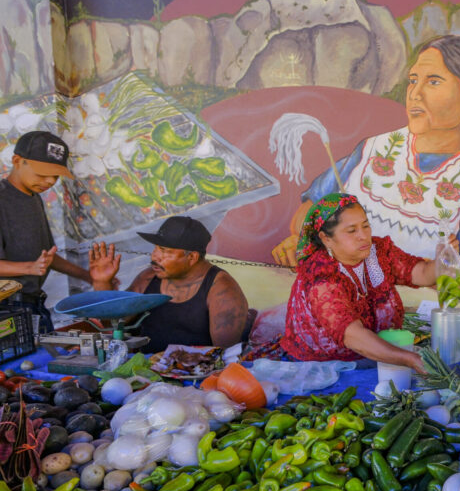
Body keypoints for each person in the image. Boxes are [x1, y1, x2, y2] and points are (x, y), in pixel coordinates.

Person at [270, 36, 460, 282]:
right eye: (413, 81)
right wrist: (305, 241)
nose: (415, 94)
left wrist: (427, 275)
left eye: (433, 82)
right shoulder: (375, 149)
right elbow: (310, 212)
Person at [281, 193, 438, 370]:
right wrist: (409, 358)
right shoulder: (321, 275)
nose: (363, 236)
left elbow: (423, 274)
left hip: (376, 353)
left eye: (366, 226)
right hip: (324, 366)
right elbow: (352, 335)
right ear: (326, 238)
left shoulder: (378, 253)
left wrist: (443, 260)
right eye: (352, 231)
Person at [0, 131, 117, 332]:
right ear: (17, 161)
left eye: (55, 175)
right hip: (6, 311)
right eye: (42, 174)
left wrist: (88, 275)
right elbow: (36, 265)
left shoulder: (33, 197)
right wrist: (29, 268)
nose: (49, 181)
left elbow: (47, 256)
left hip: (33, 305)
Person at [92, 216, 249, 353]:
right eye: (155, 248)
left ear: (192, 257)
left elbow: (224, 356)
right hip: (147, 374)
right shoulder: (148, 277)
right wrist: (102, 282)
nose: (154, 256)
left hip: (195, 378)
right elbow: (112, 324)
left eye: (164, 250)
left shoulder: (223, 289)